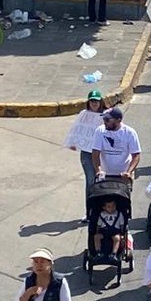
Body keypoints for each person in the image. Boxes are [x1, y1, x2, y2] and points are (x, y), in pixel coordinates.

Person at [64, 90, 106, 222]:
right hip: (87, 153)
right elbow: (77, 129)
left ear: (101, 102)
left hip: (102, 153)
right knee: (90, 181)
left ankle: (104, 209)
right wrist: (72, 142)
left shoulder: (106, 115)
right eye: (92, 101)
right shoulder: (83, 114)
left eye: (97, 101)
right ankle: (90, 212)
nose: (94, 104)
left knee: (103, 181)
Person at [92, 107, 141, 181]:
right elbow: (95, 152)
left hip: (123, 175)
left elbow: (136, 155)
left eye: (108, 120)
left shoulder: (129, 133)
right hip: (105, 175)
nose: (105, 122)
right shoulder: (100, 131)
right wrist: (98, 170)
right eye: (104, 119)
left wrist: (128, 172)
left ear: (119, 120)